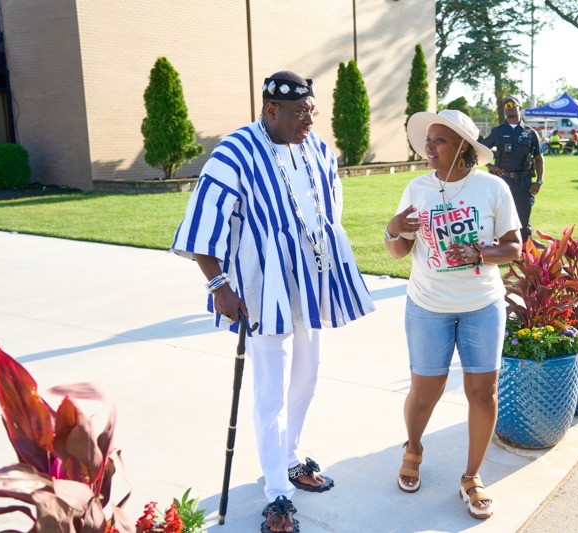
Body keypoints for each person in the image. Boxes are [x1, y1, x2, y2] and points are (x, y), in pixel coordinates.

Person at [172, 71, 375, 533]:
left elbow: (330, 210)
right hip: (261, 286)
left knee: (308, 375)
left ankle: (290, 458)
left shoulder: (317, 148)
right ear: (271, 110)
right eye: (301, 113)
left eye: (312, 111)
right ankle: (277, 493)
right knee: (271, 389)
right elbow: (202, 222)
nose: (310, 120)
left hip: (310, 280)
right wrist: (219, 285)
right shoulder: (235, 151)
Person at [384, 109, 522, 520]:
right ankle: (413, 448)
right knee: (425, 392)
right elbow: (399, 250)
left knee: (483, 393)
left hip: (482, 305)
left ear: (464, 147)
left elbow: (513, 247)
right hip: (429, 305)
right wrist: (393, 228)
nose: (429, 146)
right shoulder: (417, 188)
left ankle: (472, 476)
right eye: (428, 139)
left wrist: (480, 253)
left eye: (439, 140)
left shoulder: (492, 188)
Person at [479, 95, 544, 242]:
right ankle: (502, 246)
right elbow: (479, 150)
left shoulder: (530, 133)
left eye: (512, 105)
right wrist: (490, 165)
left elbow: (539, 158)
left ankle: (526, 247)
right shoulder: (497, 131)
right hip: (502, 182)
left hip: (524, 183)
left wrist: (539, 181)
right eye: (506, 106)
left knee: (523, 218)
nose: (509, 108)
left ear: (520, 108)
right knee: (500, 218)